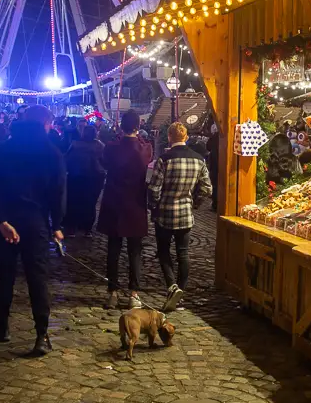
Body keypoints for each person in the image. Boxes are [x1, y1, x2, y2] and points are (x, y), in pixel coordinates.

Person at [0, 104, 66, 355]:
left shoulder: (3, 149)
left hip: (8, 220)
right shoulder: (51, 152)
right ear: (45, 124)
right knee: (37, 278)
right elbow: (58, 193)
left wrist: (1, 220)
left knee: (5, 277)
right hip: (36, 222)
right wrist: (57, 225)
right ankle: (41, 335)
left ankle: (2, 326)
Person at [148, 121, 212, 312]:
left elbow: (154, 189)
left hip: (165, 214)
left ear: (169, 137)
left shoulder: (164, 159)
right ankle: (181, 290)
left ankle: (171, 286)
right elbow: (207, 188)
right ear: (186, 137)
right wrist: (195, 202)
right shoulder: (199, 160)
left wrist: (155, 205)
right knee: (183, 253)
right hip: (185, 214)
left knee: (164, 251)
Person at [98, 109, 153, 310]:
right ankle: (134, 293)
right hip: (136, 205)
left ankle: (112, 292)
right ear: (138, 127)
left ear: (121, 126)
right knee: (135, 251)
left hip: (114, 203)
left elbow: (104, 163)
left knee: (113, 249)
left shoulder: (111, 148)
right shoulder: (145, 149)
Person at [63, 124, 105, 236]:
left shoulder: (75, 144)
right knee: (90, 203)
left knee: (73, 201)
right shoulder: (99, 146)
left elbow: (67, 159)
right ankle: (87, 228)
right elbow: (104, 162)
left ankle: (72, 227)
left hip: (76, 176)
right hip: (94, 177)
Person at [206, 123, 219, 211]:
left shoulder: (214, 137)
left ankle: (215, 205)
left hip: (215, 164)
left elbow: (208, 147)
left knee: (215, 185)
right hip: (221, 164)